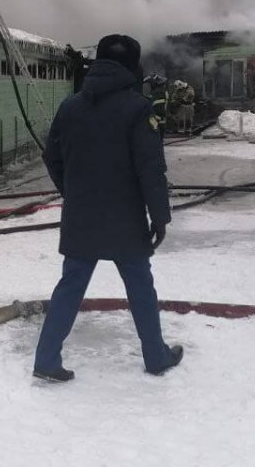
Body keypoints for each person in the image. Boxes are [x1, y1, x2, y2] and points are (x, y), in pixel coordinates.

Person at [33, 34, 183, 382]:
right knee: (140, 286)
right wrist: (159, 216)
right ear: (133, 67)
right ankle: (156, 356)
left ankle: (46, 358)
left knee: (70, 285)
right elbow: (150, 168)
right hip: (125, 218)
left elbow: (52, 156)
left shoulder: (70, 106)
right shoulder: (138, 108)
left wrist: (72, 191)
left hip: (81, 216)